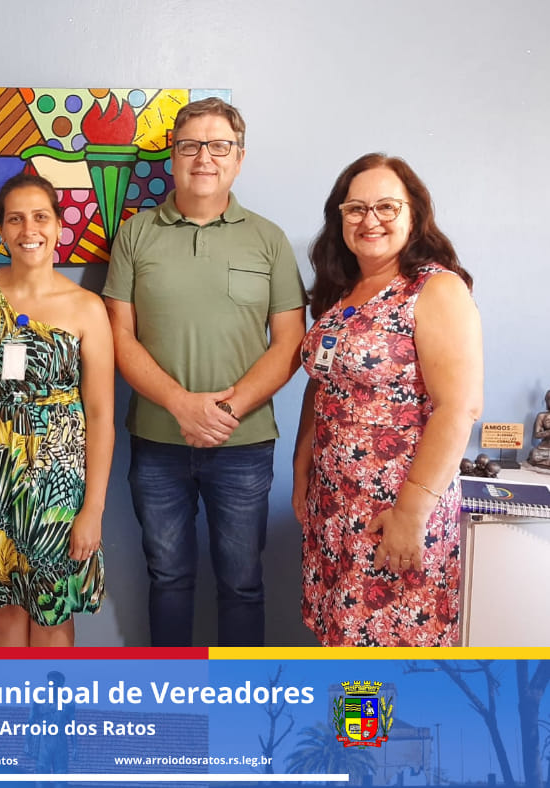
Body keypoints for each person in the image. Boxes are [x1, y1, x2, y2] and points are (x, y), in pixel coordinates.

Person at [102, 98, 306, 647]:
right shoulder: (136, 234)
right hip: (158, 441)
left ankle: (237, 711)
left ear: (239, 158)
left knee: (242, 583)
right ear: (173, 156)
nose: (204, 157)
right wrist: (181, 405)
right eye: (191, 145)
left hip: (243, 443)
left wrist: (225, 410)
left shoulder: (268, 239)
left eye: (220, 146)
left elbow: (290, 344)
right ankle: (174, 705)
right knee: (168, 578)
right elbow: (118, 337)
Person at [292, 153, 483, 647]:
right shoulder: (344, 291)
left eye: (386, 207)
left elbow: (458, 408)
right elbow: (323, 385)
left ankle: (386, 731)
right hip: (335, 504)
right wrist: (301, 471)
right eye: (354, 208)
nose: (369, 220)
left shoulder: (435, 289)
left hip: (396, 507)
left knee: (388, 653)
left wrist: (411, 514)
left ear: (414, 214)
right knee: (343, 644)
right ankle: (344, 729)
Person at [0, 173, 114, 647]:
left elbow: (101, 414)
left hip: (58, 492)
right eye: (15, 219)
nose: (28, 230)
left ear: (60, 227)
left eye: (40, 217)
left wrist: (93, 509)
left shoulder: (86, 308)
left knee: (52, 617)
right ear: (0, 230)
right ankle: (12, 718)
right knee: (0, 616)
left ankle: (53, 721)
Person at [525, 390, 550, 470]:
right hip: (544, 448)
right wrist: (547, 432)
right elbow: (537, 435)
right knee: (535, 455)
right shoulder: (542, 416)